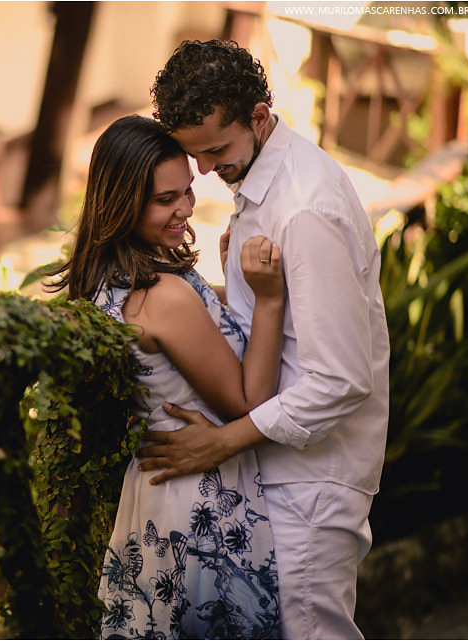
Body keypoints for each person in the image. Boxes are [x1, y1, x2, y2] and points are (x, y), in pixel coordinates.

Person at [144, 40, 390, 640]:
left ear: (258, 117)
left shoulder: (304, 210)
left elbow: (339, 379)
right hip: (280, 469)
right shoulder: (264, 183)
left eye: (215, 151)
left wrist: (221, 443)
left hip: (311, 481)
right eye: (193, 155)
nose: (204, 170)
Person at [50, 114, 285, 639]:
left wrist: (226, 288)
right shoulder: (162, 295)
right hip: (203, 498)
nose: (183, 209)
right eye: (164, 200)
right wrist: (267, 300)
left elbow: (188, 334)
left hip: (154, 497)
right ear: (122, 201)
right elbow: (247, 403)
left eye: (186, 191)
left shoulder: (110, 276)